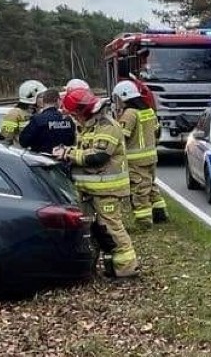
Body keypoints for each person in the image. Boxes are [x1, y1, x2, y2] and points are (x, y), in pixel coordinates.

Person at [53, 87, 139, 278]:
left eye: (74, 114)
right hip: (89, 190)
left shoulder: (107, 126)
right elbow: (84, 148)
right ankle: (104, 268)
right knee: (95, 232)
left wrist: (68, 154)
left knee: (111, 229)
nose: (74, 118)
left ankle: (126, 269)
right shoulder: (88, 125)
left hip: (107, 190)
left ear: (82, 111)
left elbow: (98, 157)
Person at [112, 80, 165, 228]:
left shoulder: (129, 113)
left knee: (139, 189)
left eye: (118, 98)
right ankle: (159, 211)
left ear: (124, 96)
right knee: (151, 185)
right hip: (151, 156)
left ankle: (144, 221)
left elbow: (121, 136)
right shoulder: (148, 110)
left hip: (135, 159)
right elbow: (157, 131)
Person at [19, 87, 75, 154]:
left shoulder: (37, 119)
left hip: (41, 160)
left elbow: (24, 142)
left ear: (43, 102)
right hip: (64, 159)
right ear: (58, 101)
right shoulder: (67, 119)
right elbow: (72, 141)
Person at [0, 79, 46, 146]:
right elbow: (5, 139)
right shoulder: (14, 114)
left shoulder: (41, 112)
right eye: (41, 97)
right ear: (31, 98)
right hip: (20, 153)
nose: (45, 99)